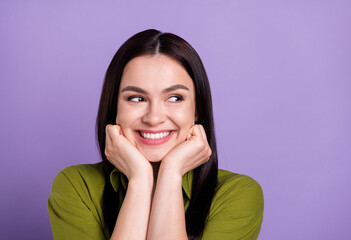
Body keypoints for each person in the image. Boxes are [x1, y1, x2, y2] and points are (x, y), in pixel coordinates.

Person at [48, 29, 264, 240]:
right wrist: (140, 180)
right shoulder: (76, 186)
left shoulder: (237, 194)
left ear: (197, 109)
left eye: (174, 98)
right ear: (115, 107)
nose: (154, 118)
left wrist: (171, 172)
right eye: (136, 98)